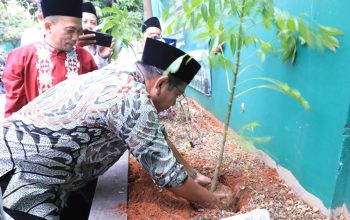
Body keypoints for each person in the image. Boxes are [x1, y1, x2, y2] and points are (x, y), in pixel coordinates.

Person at [0, 38, 235, 219]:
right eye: (178, 95)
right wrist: (214, 203)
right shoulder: (131, 99)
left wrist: (193, 174)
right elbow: (168, 175)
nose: (174, 103)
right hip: (23, 177)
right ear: (161, 84)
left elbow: (156, 137)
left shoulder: (122, 75)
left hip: (44, 167)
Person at [2, 0, 98, 118]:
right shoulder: (20, 59)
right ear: (48, 26)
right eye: (70, 31)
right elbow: (14, 114)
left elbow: (95, 101)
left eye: (79, 31)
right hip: (34, 134)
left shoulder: (85, 58)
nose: (75, 37)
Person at [79, 2, 114, 69]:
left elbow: (101, 75)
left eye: (93, 23)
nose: (89, 26)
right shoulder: (70, 46)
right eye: (85, 22)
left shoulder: (100, 46)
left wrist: (102, 57)